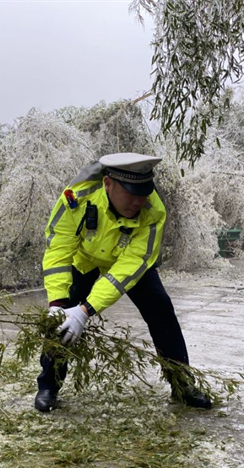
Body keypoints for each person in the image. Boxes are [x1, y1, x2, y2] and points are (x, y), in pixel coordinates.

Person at [34, 152, 212, 412]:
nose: (138, 201)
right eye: (131, 193)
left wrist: (86, 311)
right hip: (85, 259)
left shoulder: (153, 212)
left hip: (127, 262)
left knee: (161, 310)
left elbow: (126, 271)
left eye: (144, 193)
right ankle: (48, 385)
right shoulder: (76, 199)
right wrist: (58, 303)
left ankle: (182, 384)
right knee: (61, 321)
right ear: (108, 184)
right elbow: (59, 250)